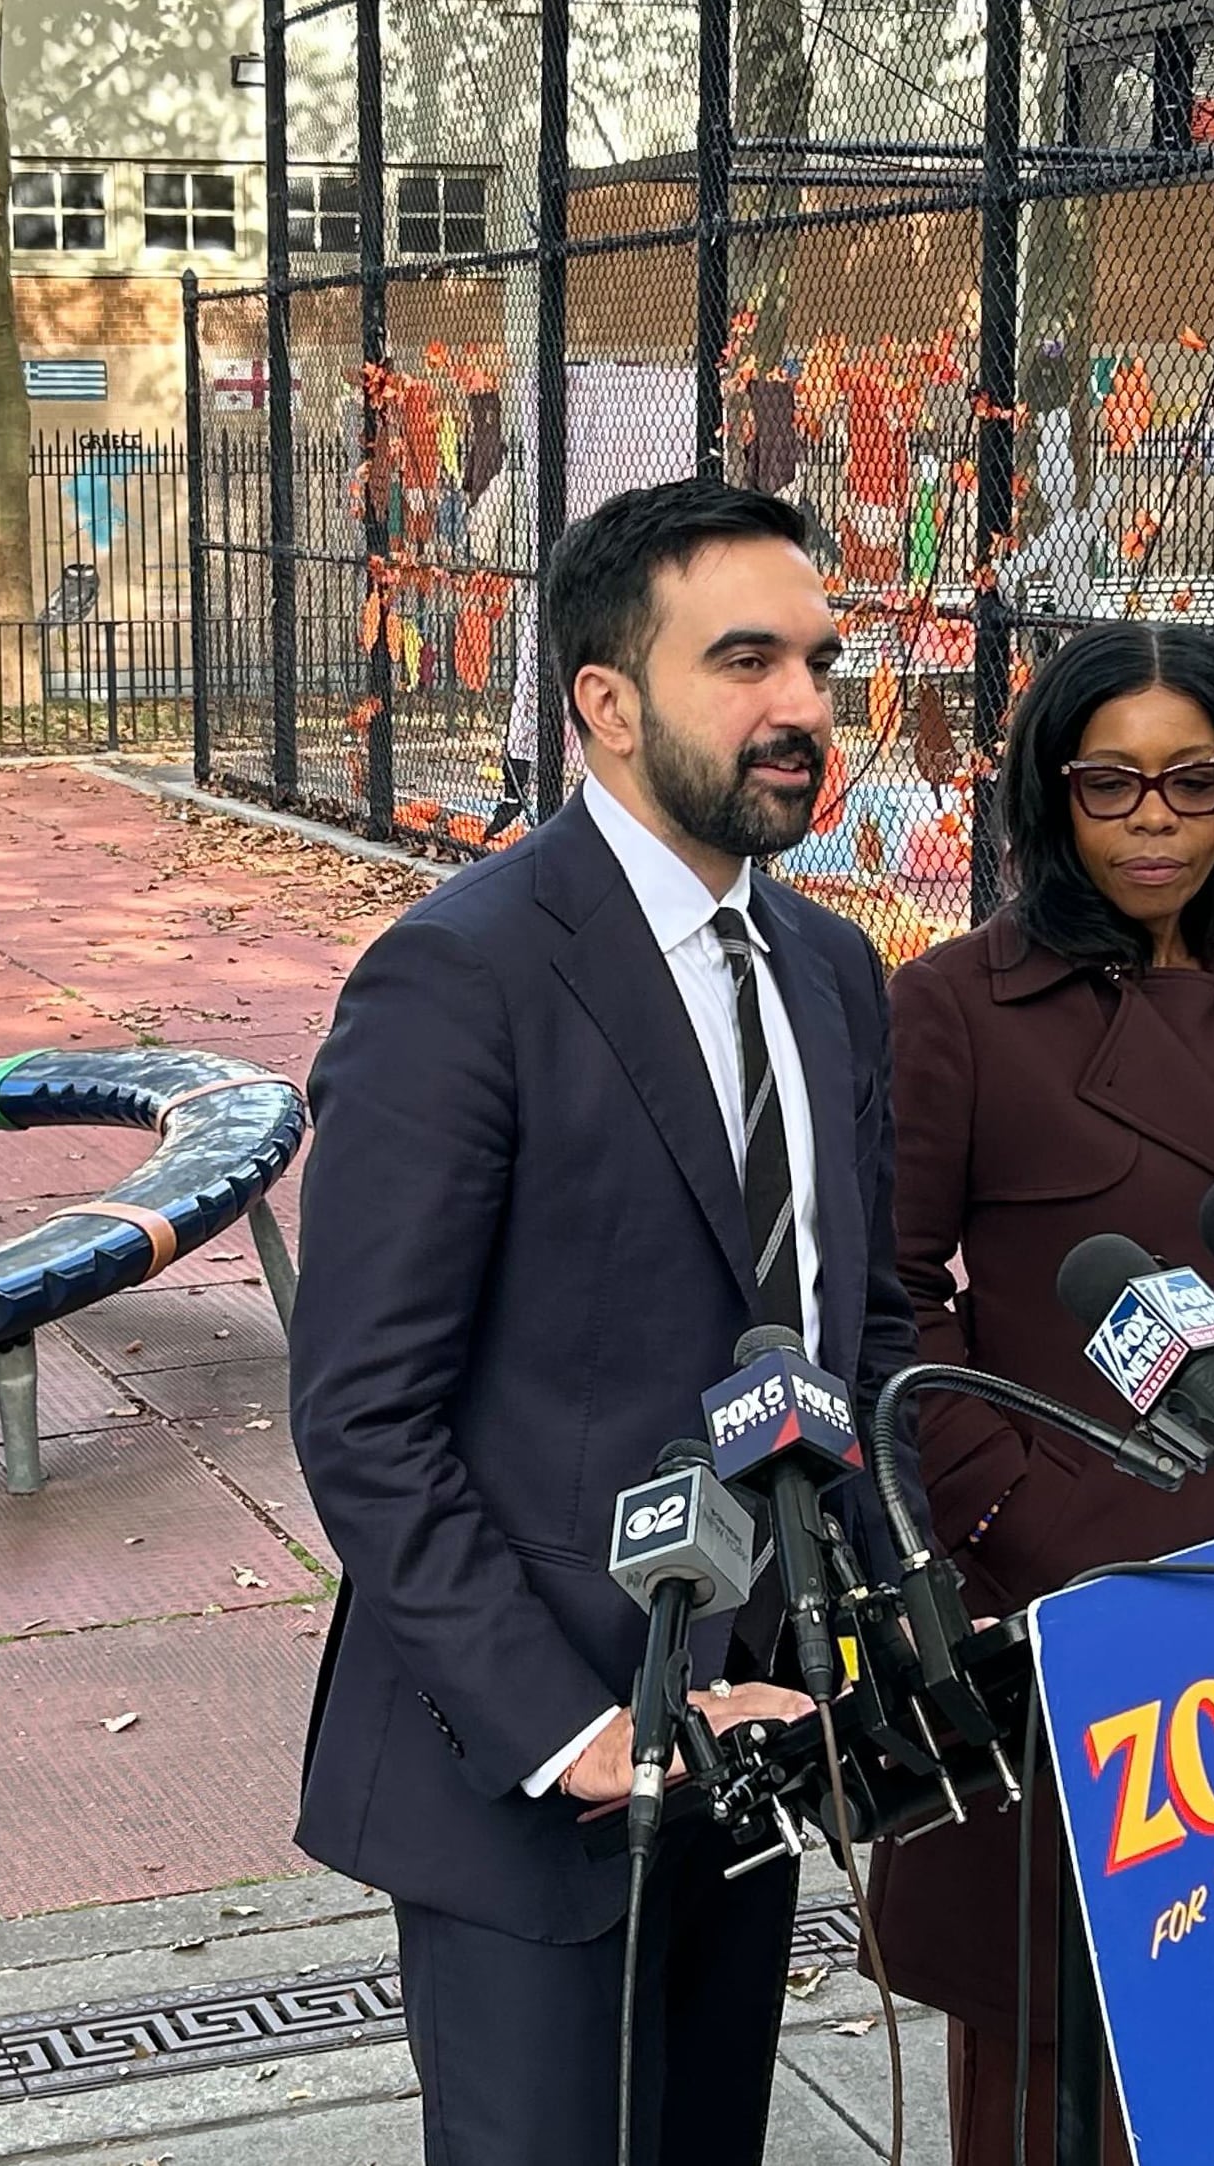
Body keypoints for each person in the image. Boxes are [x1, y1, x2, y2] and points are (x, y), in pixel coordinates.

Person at [290, 477, 920, 2166]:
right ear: (604, 701)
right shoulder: (461, 977)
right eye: (744, 662)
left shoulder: (831, 972)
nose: (801, 706)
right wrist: (577, 1735)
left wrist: (876, 1620)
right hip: (532, 1770)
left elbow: (850, 1325)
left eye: (815, 660)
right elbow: (362, 1417)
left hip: (762, 1735)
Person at [863, 623, 1214, 2166]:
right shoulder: (959, 1006)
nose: (1151, 819)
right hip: (1064, 1590)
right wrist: (1006, 1500)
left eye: (1191, 780)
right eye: (1108, 781)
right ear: (1048, 798)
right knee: (1048, 2048)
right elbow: (887, 1290)